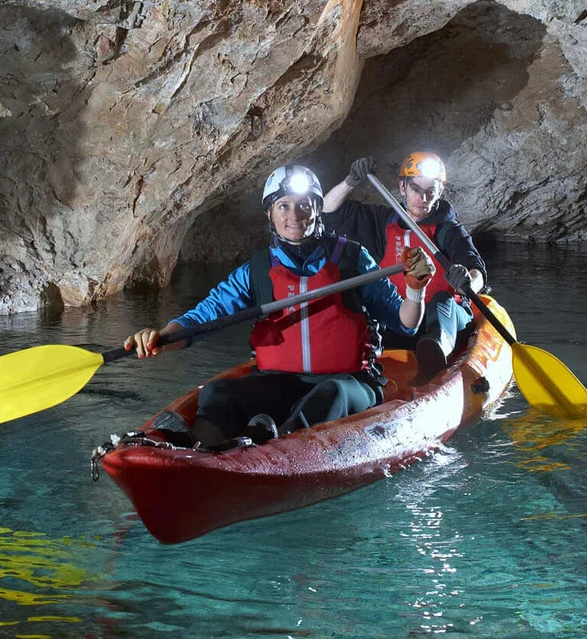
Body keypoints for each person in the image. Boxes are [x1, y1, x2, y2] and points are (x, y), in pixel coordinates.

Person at [123, 165, 432, 448]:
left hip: (350, 384)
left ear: (317, 210)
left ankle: (270, 444)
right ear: (270, 214)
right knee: (217, 392)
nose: (294, 215)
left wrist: (416, 289)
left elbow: (406, 323)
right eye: (283, 206)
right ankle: (197, 448)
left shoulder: (352, 259)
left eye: (303, 205)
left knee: (330, 394)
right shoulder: (256, 271)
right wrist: (161, 338)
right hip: (279, 383)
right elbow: (205, 316)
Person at [322, 151, 485, 381]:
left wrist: (468, 280)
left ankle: (436, 352)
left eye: (431, 191)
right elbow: (329, 212)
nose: (423, 198)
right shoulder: (384, 221)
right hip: (401, 316)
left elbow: (476, 269)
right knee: (360, 304)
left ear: (440, 192)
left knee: (441, 301)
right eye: (416, 189)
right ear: (402, 187)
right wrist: (351, 181)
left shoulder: (449, 230)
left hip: (442, 321)